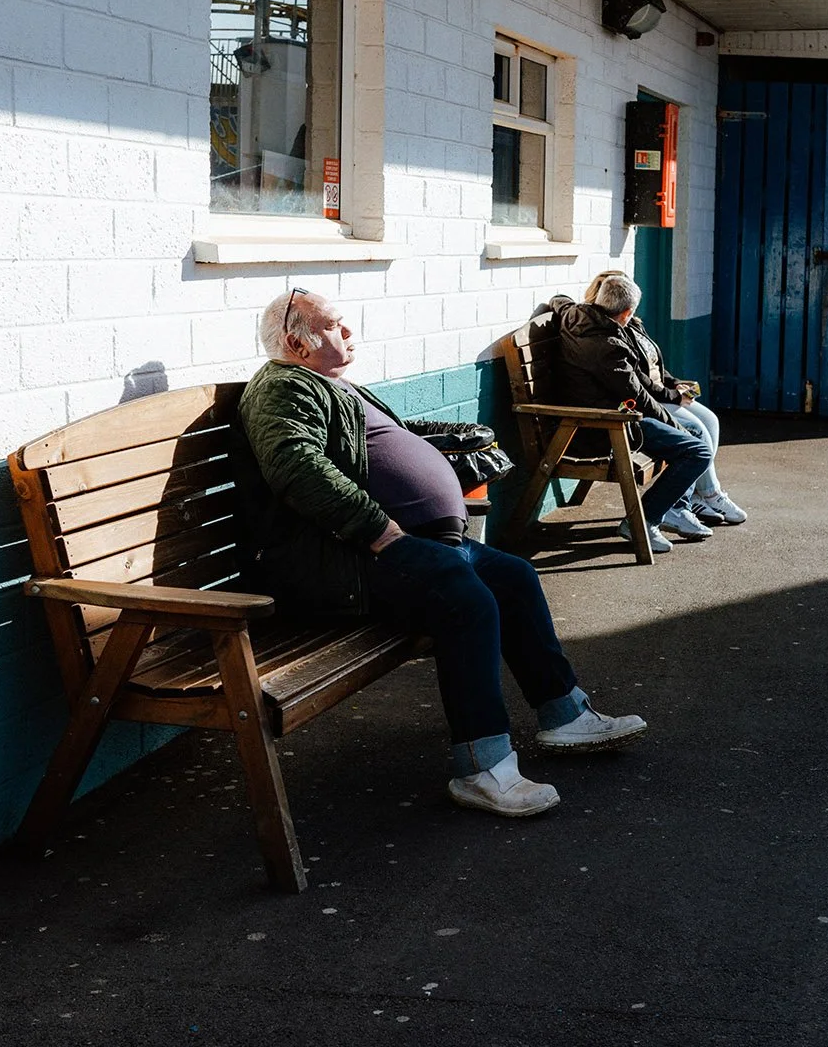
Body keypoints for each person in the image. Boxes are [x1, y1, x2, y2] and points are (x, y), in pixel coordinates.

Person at [230, 288, 647, 820]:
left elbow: (382, 441)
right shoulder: (282, 388)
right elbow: (297, 468)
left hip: (403, 544)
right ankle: (481, 767)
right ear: (297, 341)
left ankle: (564, 715)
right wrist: (380, 531)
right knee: (464, 599)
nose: (349, 332)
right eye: (336, 325)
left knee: (514, 576)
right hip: (342, 559)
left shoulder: (328, 383)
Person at [546, 277, 714, 554]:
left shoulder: (575, 315)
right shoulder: (609, 346)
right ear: (626, 312)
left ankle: (674, 507)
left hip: (607, 415)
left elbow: (559, 299)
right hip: (604, 427)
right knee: (697, 451)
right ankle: (643, 521)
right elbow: (639, 398)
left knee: (695, 434)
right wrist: (672, 422)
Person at [583, 271, 747, 531]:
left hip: (656, 394)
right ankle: (690, 500)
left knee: (710, 420)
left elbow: (654, 367)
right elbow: (637, 384)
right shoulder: (611, 336)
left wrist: (673, 383)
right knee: (697, 432)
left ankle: (699, 496)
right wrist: (671, 396)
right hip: (644, 404)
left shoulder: (632, 325)